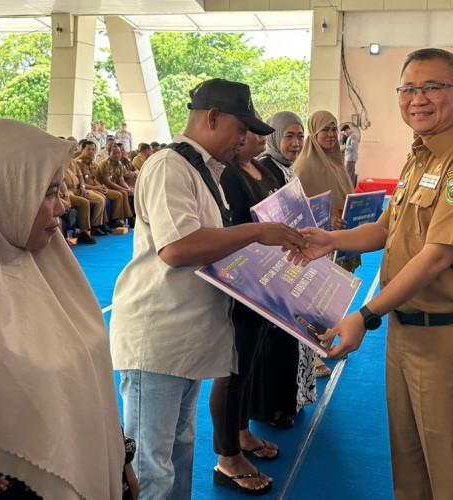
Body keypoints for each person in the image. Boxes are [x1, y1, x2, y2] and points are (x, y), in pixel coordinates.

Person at [293, 48, 453, 499]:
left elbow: (436, 256)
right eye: (408, 88)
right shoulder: (421, 154)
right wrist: (330, 240)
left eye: (432, 88)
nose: (418, 99)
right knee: (410, 466)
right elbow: (387, 228)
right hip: (405, 331)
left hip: (450, 337)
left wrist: (364, 316)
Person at [109, 78, 307, 498]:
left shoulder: (205, 170)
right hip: (157, 338)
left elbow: (211, 244)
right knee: (150, 466)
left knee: (179, 454)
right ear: (213, 118)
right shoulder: (168, 166)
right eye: (240, 129)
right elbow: (178, 248)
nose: (243, 139)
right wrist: (257, 233)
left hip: (187, 336)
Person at [0, 119, 137, 499]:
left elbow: (94, 385)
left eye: (59, 190)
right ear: (0, 193)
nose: (64, 205)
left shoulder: (54, 268)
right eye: (47, 193)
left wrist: (121, 457)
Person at [211, 116, 284, 495]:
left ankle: (241, 432)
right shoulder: (225, 177)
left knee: (251, 358)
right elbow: (232, 229)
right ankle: (226, 457)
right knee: (233, 366)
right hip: (242, 279)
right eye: (248, 132)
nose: (256, 138)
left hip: (267, 278)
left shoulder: (263, 171)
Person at [252, 111, 315, 428]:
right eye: (288, 136)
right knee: (275, 340)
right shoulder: (265, 168)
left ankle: (289, 400)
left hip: (290, 263)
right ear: (275, 137)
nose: (295, 143)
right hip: (273, 269)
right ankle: (272, 407)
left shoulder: (287, 170)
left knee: (289, 335)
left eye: (300, 136)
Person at [294, 110, 358, 378]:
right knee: (315, 300)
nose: (331, 135)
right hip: (317, 246)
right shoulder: (304, 166)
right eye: (325, 130)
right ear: (314, 133)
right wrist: (327, 220)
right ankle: (313, 353)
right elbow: (299, 209)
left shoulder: (337, 162)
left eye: (334, 129)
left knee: (335, 297)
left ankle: (328, 343)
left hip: (341, 242)